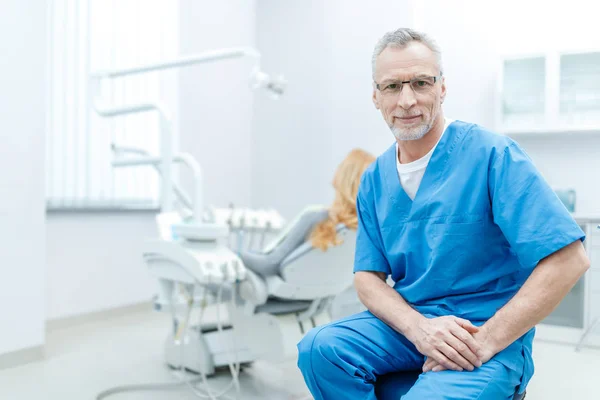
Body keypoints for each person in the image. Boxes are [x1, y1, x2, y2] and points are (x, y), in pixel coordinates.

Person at [296, 28, 590, 399]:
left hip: (480, 331)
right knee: (320, 349)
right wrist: (419, 329)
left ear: (442, 88)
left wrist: (486, 342)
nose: (406, 100)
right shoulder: (374, 178)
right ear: (375, 96)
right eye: (391, 86)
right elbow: (367, 278)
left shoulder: (491, 155)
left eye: (420, 83)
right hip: (410, 325)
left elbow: (569, 259)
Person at [239, 148, 375, 277]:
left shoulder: (316, 218)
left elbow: (270, 264)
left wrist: (233, 254)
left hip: (282, 294)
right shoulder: (365, 229)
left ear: (343, 177)